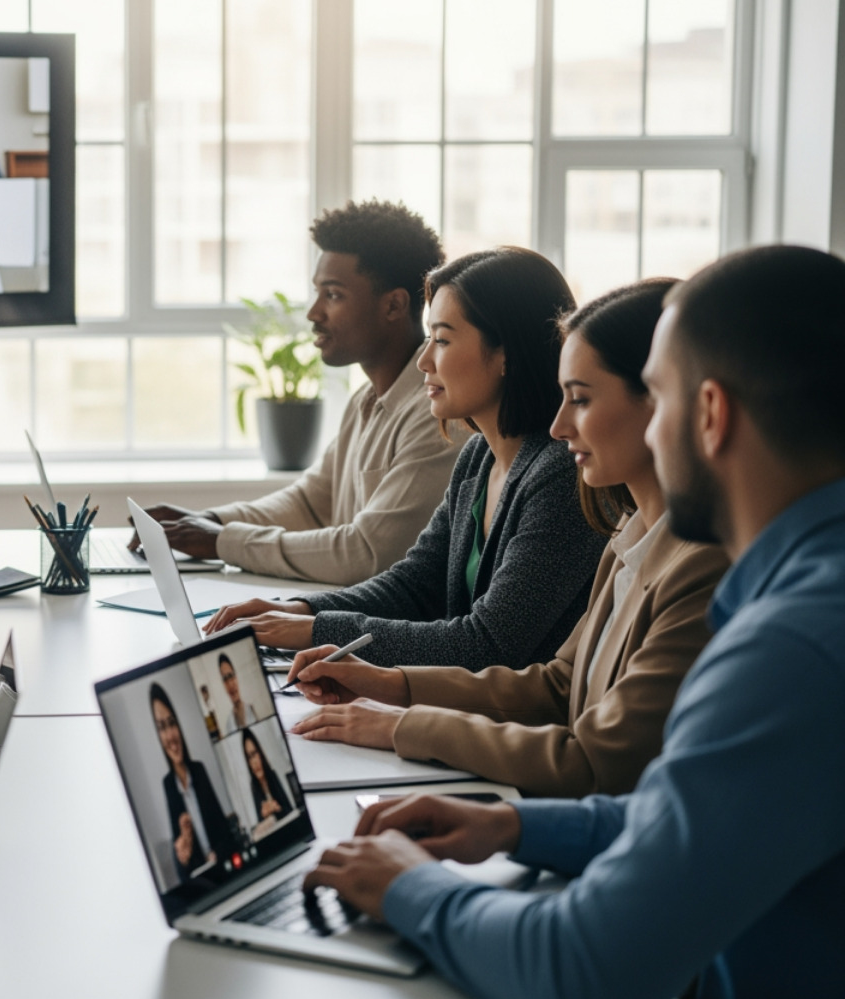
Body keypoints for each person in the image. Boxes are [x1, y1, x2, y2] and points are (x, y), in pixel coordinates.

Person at [304, 245, 845, 999]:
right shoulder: (798, 594)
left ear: (710, 415)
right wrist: (514, 824)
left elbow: (579, 971)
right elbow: (688, 808)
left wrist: (406, 886)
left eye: (657, 397)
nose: (564, 429)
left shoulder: (793, 646)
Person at [287, 279, 729, 798]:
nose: (561, 427)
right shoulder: (629, 536)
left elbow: (592, 762)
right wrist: (392, 685)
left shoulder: (699, 567)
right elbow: (558, 685)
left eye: (581, 400)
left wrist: (399, 724)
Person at [207, 247, 607, 673]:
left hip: (519, 730)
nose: (424, 361)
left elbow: (486, 644)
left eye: (443, 340)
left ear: (506, 352)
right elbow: (414, 585)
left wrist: (317, 631)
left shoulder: (561, 475)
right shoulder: (478, 456)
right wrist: (299, 610)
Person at [131, 200, 459, 585]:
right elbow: (309, 503)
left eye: (333, 295)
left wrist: (223, 541)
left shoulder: (437, 413)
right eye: (317, 292)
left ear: (393, 305)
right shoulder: (366, 401)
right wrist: (208, 523)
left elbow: (368, 553)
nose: (313, 312)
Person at [151, 684, 234, 879]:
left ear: (178, 726)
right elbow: (183, 872)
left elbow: (226, 836)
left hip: (224, 871)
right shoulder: (168, 786)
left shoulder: (199, 770)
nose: (170, 736)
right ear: (158, 736)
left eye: (171, 723)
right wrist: (181, 856)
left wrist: (217, 856)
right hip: (201, 883)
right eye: (162, 727)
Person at [241, 727, 292, 825]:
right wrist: (264, 815)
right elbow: (260, 828)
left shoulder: (272, 775)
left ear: (260, 753)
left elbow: (289, 810)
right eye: (249, 757)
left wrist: (277, 808)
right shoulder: (254, 786)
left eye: (254, 754)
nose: (254, 761)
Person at [217, 652, 264, 731]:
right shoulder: (229, 724)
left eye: (230, 676)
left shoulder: (255, 710)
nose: (230, 684)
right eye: (225, 679)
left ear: (236, 677)